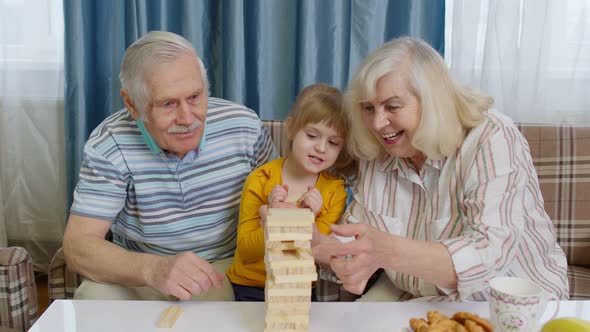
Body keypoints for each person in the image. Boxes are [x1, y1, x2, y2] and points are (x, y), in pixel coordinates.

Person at [312, 37, 569, 301]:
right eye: (368, 108)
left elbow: (491, 252)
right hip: (414, 296)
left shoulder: (491, 136)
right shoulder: (379, 148)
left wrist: (385, 251)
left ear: (432, 99)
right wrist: (318, 245)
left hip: (503, 300)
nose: (377, 123)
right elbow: (360, 238)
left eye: (393, 106)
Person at [62, 31, 277, 301]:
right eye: (168, 104)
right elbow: (78, 246)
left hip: (218, 263)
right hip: (138, 269)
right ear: (132, 103)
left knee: (213, 305)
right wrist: (154, 269)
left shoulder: (244, 126)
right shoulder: (109, 144)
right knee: (91, 301)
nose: (188, 118)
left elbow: (279, 202)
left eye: (195, 97)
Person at [226, 84, 356, 301]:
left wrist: (307, 219)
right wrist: (270, 223)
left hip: (298, 287)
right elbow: (246, 252)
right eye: (312, 135)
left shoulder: (334, 192)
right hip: (251, 285)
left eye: (333, 142)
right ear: (291, 128)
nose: (321, 148)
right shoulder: (260, 179)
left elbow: (314, 255)